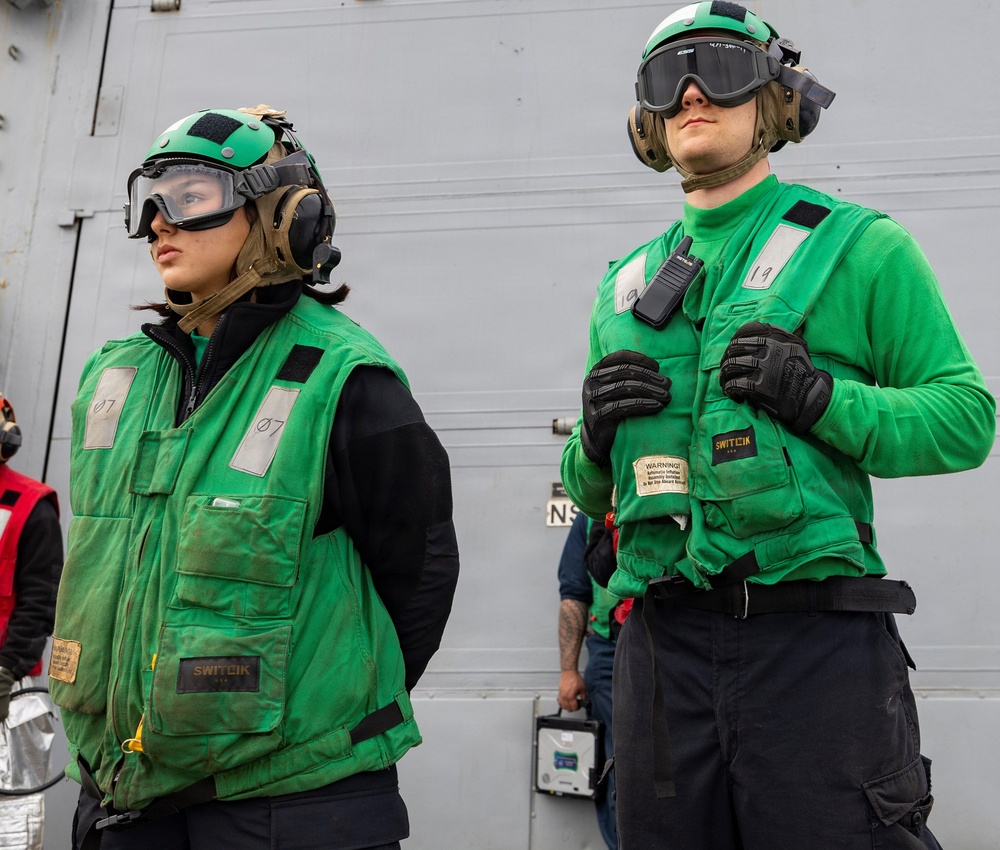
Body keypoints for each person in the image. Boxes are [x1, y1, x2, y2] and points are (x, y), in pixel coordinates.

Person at [559, 3, 996, 849]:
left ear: (776, 100)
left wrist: (824, 399)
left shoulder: (861, 247)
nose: (692, 92)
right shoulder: (625, 284)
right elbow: (590, 488)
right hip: (660, 650)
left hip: (812, 645)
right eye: (667, 77)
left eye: (719, 69)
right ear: (646, 120)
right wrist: (593, 442)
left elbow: (965, 418)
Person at [49, 105, 460, 850]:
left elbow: (420, 572)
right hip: (118, 806)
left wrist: (318, 705)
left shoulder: (346, 381)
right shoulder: (111, 378)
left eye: (192, 194)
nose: (157, 221)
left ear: (284, 216)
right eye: (149, 196)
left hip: (287, 812)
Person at [0, 394, 63, 848]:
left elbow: (41, 598)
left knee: (11, 823)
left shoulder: (28, 504)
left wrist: (6, 671)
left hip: (10, 690)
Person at [555, 510, 625, 850]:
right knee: (618, 774)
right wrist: (569, 670)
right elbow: (574, 592)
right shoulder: (591, 515)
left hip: (677, 653)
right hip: (610, 656)